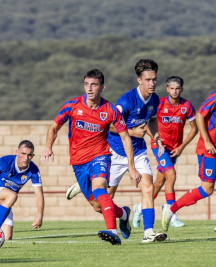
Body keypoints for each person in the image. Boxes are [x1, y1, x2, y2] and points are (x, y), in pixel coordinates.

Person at [65, 60, 168, 243]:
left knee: (148, 186)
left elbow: (151, 120)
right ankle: (122, 213)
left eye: (154, 80)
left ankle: (149, 232)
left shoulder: (154, 100)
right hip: (113, 152)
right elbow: (111, 125)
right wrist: (132, 132)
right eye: (148, 80)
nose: (152, 83)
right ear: (139, 80)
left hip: (137, 152)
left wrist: (157, 138)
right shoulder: (126, 101)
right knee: (99, 205)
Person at [41, 69, 141, 246]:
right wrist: (48, 147)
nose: (89, 89)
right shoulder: (72, 106)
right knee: (97, 206)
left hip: (100, 156)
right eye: (86, 84)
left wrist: (132, 168)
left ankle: (112, 232)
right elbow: (54, 127)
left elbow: (125, 137)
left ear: (102, 87)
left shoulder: (110, 110)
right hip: (78, 162)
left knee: (99, 187)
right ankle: (124, 214)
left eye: (94, 85)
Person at [162, 65, 216, 234]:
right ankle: (171, 209)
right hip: (208, 150)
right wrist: (208, 141)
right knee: (207, 190)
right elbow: (200, 116)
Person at [132, 76, 198, 228]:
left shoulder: (186, 106)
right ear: (167, 89)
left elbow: (194, 128)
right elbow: (146, 124)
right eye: (172, 88)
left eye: (177, 88)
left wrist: (182, 146)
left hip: (175, 149)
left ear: (181, 89)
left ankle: (139, 208)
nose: (175, 91)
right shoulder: (159, 103)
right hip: (160, 148)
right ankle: (171, 213)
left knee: (160, 182)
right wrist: (157, 141)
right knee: (172, 175)